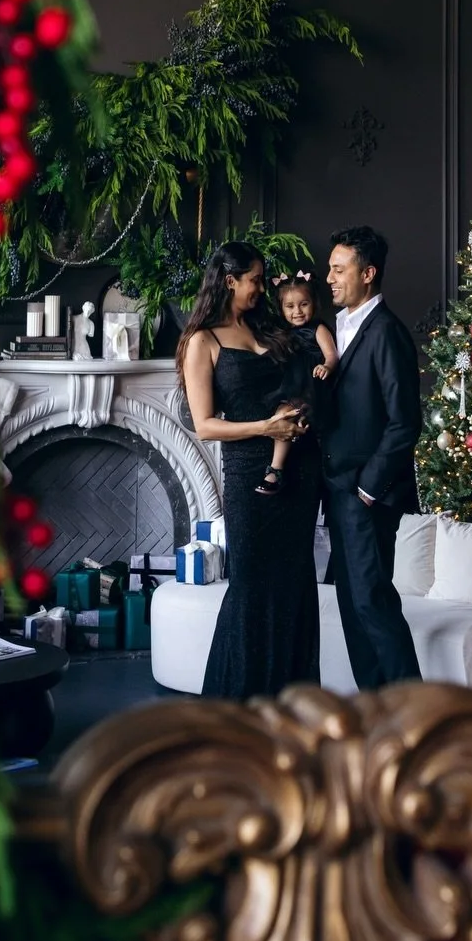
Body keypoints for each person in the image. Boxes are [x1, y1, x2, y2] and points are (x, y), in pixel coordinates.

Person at [178, 241, 322, 697]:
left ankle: (292, 706)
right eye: (256, 280)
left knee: (297, 589)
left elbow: (307, 372)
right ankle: (238, 708)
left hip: (298, 474)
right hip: (250, 479)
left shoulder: (271, 328)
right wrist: (267, 428)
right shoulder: (203, 341)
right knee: (251, 590)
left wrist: (297, 417)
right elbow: (205, 426)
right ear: (229, 280)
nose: (262, 287)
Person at [317, 225, 423, 689]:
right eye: (330, 269)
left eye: (340, 270)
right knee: (351, 604)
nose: (329, 278)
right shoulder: (336, 327)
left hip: (366, 494)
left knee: (372, 602)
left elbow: (405, 423)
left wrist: (366, 488)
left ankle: (414, 715)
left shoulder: (388, 334)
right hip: (336, 488)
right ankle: (375, 709)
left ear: (369, 273)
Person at [255, 272, 337, 499]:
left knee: (287, 414)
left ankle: (275, 470)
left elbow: (332, 355)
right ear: (281, 308)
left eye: (303, 304)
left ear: (314, 304)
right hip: (291, 385)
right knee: (283, 415)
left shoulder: (318, 329)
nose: (297, 311)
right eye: (289, 306)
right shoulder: (283, 332)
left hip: (311, 386)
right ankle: (277, 468)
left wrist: (326, 367)